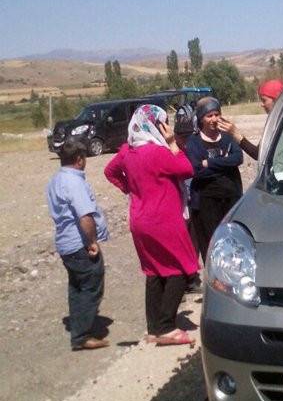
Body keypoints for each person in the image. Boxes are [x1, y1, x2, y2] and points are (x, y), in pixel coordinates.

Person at [104, 104, 199, 346]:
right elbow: (186, 169)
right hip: (163, 219)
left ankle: (154, 327)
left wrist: (131, 189)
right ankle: (167, 327)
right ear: (156, 125)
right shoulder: (158, 153)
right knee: (182, 267)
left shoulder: (127, 151)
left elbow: (109, 172)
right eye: (163, 122)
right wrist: (173, 144)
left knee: (154, 270)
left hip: (140, 219)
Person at [46, 139, 109, 350]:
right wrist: (92, 243)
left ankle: (78, 329)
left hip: (65, 243)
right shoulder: (74, 182)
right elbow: (85, 216)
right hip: (78, 243)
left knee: (76, 287)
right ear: (80, 159)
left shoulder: (56, 180)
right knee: (91, 286)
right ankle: (82, 336)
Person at [185, 96, 244, 260]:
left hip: (231, 198)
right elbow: (196, 171)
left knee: (233, 242)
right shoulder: (194, 142)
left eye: (217, 114)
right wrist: (225, 165)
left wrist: (209, 163)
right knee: (211, 244)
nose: (214, 119)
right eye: (209, 115)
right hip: (206, 202)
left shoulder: (227, 137)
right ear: (201, 119)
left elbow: (238, 158)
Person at [220, 78, 283, 161]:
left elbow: (258, 154)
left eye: (264, 100)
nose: (262, 104)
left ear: (277, 100)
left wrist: (235, 133)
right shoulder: (279, 120)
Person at [173, 110, 201, 293]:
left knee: (194, 242)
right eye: (182, 136)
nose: (185, 140)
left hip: (194, 201)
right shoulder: (171, 153)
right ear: (175, 136)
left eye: (188, 135)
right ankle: (180, 281)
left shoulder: (194, 150)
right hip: (177, 205)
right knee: (179, 244)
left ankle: (191, 279)